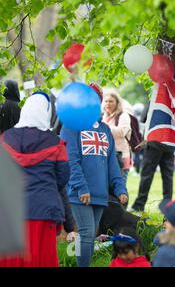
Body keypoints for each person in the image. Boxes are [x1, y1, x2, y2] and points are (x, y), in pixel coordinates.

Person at [60, 84, 128, 267]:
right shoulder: (71, 126)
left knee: (89, 235)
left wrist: (120, 187)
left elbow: (112, 163)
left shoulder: (105, 130)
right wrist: (81, 187)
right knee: (87, 233)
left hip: (100, 193)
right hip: (79, 192)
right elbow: (70, 160)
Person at [0, 92, 69, 266]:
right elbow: (62, 177)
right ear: (46, 113)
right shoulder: (55, 142)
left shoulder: (5, 138)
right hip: (43, 208)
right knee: (40, 259)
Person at [130, 100, 174, 213]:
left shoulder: (154, 100)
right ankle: (167, 205)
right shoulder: (174, 100)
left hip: (154, 141)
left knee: (147, 174)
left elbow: (143, 118)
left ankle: (139, 204)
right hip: (169, 141)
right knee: (168, 175)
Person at [102, 90, 132, 186]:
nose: (108, 104)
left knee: (120, 189)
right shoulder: (104, 117)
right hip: (108, 158)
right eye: (106, 101)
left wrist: (104, 128)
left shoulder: (123, 115)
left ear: (117, 103)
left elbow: (122, 132)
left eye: (111, 101)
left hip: (121, 158)